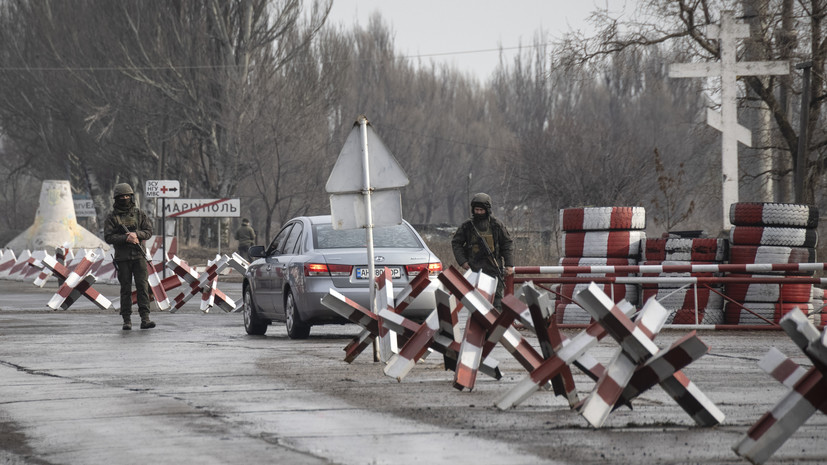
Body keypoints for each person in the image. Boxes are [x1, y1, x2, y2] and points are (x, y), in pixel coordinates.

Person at [103, 183, 155, 330]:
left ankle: (145, 318)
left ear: (131, 197)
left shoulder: (140, 214)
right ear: (116, 198)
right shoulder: (112, 217)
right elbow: (108, 237)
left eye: (127, 196)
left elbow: (148, 231)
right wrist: (125, 238)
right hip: (123, 258)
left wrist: (136, 235)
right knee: (125, 289)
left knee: (142, 287)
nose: (125, 199)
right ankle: (127, 320)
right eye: (122, 197)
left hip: (139, 256)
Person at [451, 193, 514, 310]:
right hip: (474, 270)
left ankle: (495, 321)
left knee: (496, 303)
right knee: (476, 303)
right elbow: (456, 243)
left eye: (481, 210)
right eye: (477, 210)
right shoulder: (467, 226)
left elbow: (507, 244)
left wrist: (509, 264)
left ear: (487, 210)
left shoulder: (496, 225)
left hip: (494, 269)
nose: (479, 212)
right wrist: (463, 261)